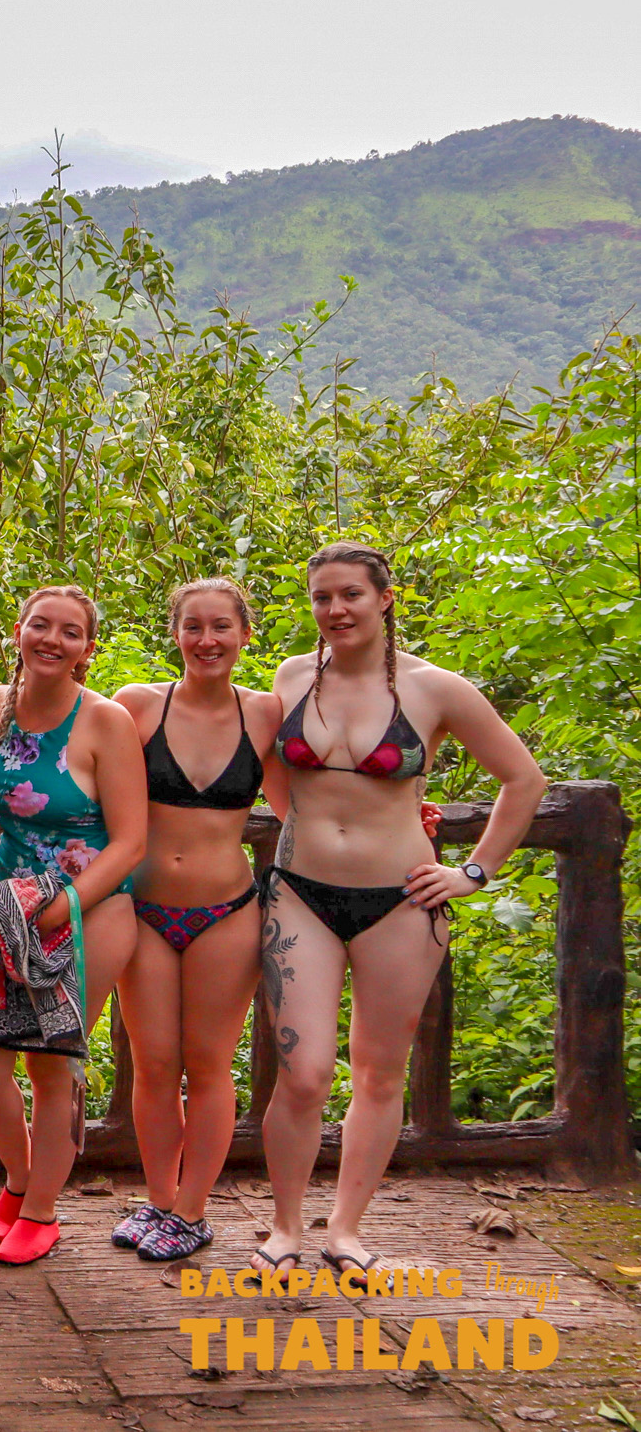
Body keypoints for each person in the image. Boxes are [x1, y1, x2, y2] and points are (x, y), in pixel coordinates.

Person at [250, 542, 543, 1279]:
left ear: (385, 597)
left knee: (380, 1071)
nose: (335, 610)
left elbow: (523, 779)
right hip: (301, 893)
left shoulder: (436, 689)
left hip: (403, 901)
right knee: (305, 1071)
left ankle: (344, 1228)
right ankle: (284, 1225)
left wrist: (473, 871)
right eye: (321, 597)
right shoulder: (291, 678)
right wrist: (306, 831)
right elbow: (275, 778)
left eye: (350, 594)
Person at [0, 585, 147, 1266]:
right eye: (40, 624)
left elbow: (130, 839)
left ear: (87, 650)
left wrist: (62, 904)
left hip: (92, 905)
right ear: (18, 629)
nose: (52, 638)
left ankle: (41, 1208)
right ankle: (20, 1177)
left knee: (51, 1065)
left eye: (70, 632)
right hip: (6, 898)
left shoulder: (106, 721)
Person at [110, 579, 285, 1263]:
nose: (207, 639)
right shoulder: (138, 707)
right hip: (145, 909)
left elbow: (303, 801)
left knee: (209, 1062)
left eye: (221, 626)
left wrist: (403, 816)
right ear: (176, 634)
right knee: (153, 1063)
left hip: (227, 911)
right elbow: (82, 769)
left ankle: (192, 1208)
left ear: (245, 634)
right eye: (193, 627)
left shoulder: (267, 714)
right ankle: (158, 1199)